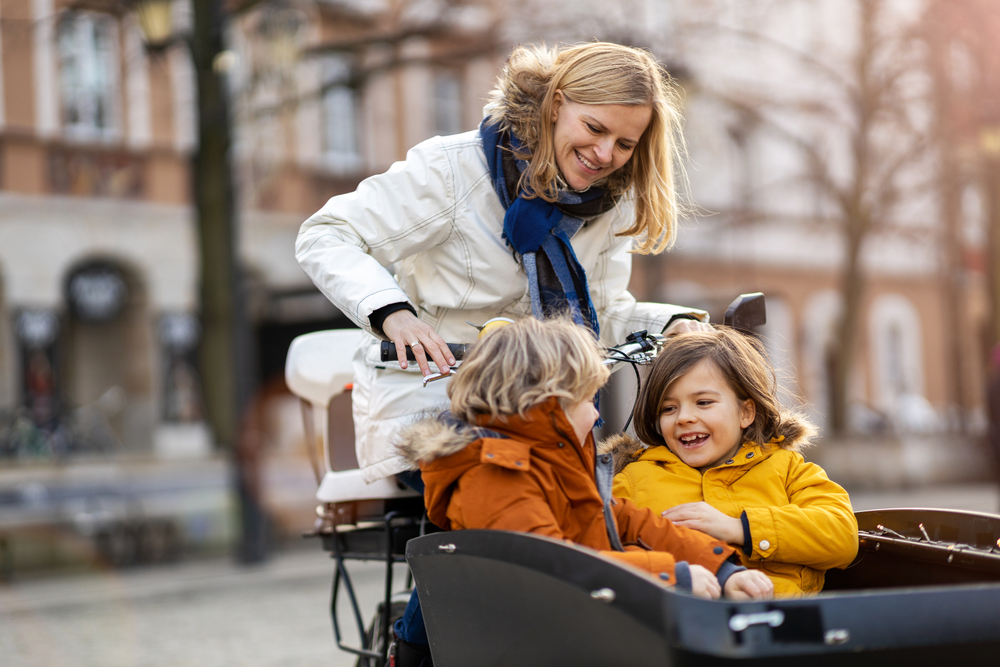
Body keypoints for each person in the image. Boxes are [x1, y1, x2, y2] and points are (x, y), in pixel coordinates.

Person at [295, 41, 711, 487]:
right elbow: (326, 234)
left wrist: (673, 325)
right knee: (526, 494)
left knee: (634, 493)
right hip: (439, 410)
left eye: (625, 144)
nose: (605, 155)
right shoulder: (454, 169)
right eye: (594, 127)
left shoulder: (609, 203)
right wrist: (393, 315)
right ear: (555, 105)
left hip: (546, 415)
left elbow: (601, 316)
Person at [397, 317, 774, 600]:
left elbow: (629, 520)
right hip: (538, 634)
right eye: (585, 400)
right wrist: (669, 574)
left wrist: (719, 568)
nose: (596, 415)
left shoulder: (554, 464)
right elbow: (548, 565)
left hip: (581, 617)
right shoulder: (495, 474)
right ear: (546, 404)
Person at [608, 329, 859, 597]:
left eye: (703, 402)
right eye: (668, 408)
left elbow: (841, 535)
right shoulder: (634, 479)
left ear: (745, 412)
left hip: (784, 618)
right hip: (686, 622)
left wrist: (740, 528)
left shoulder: (787, 468)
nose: (683, 417)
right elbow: (607, 552)